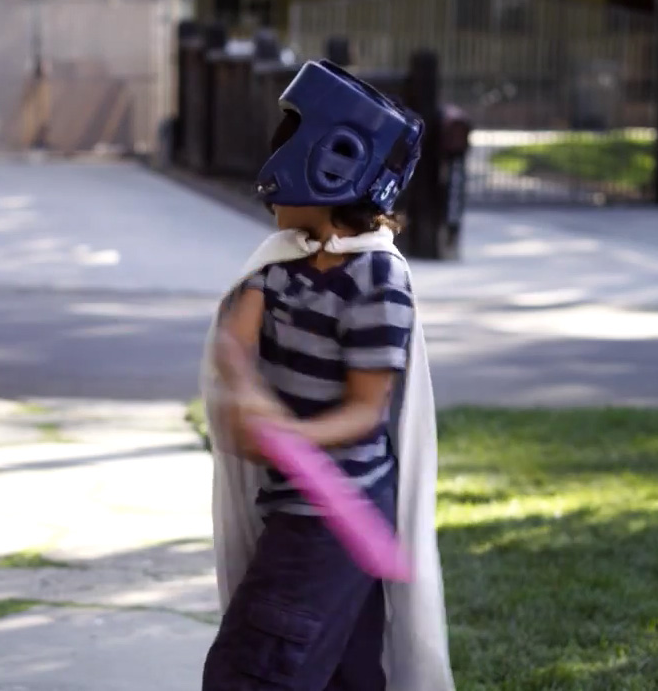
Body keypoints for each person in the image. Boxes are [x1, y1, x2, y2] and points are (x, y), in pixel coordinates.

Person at [198, 60, 455, 691]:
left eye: (286, 147)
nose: (270, 171)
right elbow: (236, 344)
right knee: (347, 675)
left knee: (253, 672)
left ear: (334, 161)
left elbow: (365, 411)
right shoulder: (277, 270)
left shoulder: (379, 281)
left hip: (334, 515)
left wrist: (287, 437)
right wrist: (239, 380)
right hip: (295, 507)